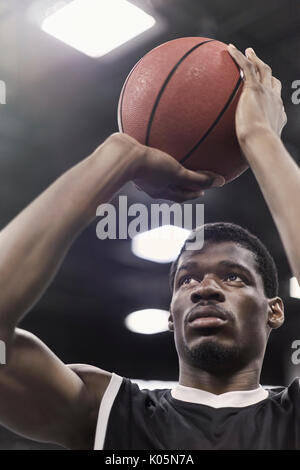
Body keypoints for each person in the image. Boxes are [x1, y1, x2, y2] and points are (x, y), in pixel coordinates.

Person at [0, 44, 297, 450]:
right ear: (171, 317)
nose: (204, 288)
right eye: (187, 279)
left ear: (274, 310)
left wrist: (259, 137)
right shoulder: (107, 412)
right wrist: (114, 158)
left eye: (233, 276)